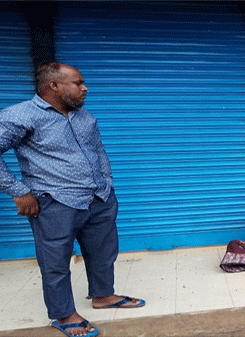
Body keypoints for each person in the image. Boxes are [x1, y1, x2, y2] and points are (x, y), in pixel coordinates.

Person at [0, 63, 144, 337]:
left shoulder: (83, 116)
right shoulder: (20, 116)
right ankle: (64, 315)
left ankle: (103, 295)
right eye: (78, 83)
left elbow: (98, 150)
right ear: (53, 86)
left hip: (98, 198)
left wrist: (106, 183)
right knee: (55, 262)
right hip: (55, 201)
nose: (84, 88)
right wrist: (18, 191)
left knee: (103, 251)